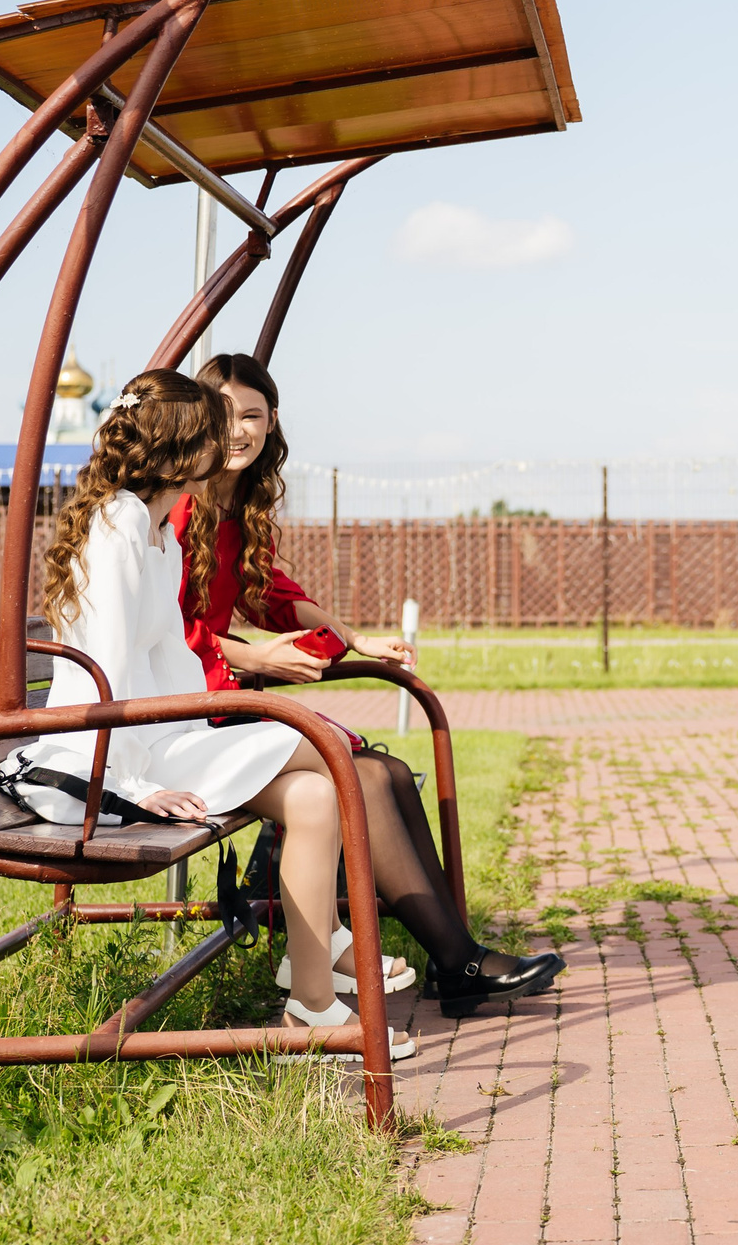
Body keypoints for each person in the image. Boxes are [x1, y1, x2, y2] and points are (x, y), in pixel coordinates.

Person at [175, 349, 562, 1018]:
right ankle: (455, 960)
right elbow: (170, 634)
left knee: (387, 770)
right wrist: (259, 659)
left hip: (225, 698)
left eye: (253, 416)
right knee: (363, 774)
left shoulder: (239, 505)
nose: (239, 430)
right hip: (184, 708)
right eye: (224, 414)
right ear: (198, 420)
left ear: (272, 424)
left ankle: (456, 954)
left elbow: (273, 594)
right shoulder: (182, 506)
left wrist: (352, 638)